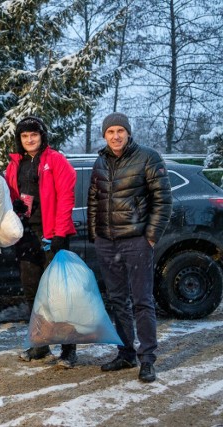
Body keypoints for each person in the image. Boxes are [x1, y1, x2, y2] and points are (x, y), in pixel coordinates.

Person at [88, 112, 172, 383]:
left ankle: (147, 359)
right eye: (110, 132)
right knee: (117, 301)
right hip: (107, 243)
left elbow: (163, 200)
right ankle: (125, 353)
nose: (115, 136)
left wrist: (150, 236)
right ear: (104, 135)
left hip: (136, 241)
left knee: (142, 301)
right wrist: (95, 234)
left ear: (128, 132)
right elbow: (93, 200)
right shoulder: (100, 161)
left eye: (120, 131)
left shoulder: (148, 157)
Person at [4, 116, 78, 368]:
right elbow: (9, 195)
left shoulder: (55, 160)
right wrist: (14, 206)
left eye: (34, 134)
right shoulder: (14, 165)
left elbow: (67, 196)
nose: (30, 139)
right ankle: (41, 344)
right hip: (25, 235)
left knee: (59, 293)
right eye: (24, 136)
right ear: (20, 139)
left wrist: (59, 233)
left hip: (52, 235)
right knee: (32, 291)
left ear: (42, 135)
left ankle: (68, 349)